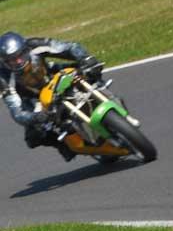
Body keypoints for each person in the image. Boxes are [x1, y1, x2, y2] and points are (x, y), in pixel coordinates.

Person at [0, 31, 102, 162]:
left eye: (20, 55)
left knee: (90, 68)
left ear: (26, 49)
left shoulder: (35, 44)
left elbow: (69, 47)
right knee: (34, 136)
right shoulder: (3, 78)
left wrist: (85, 58)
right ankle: (64, 145)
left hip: (54, 75)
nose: (18, 61)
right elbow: (17, 112)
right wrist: (35, 117)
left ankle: (101, 89)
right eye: (12, 60)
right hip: (35, 99)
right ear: (4, 62)